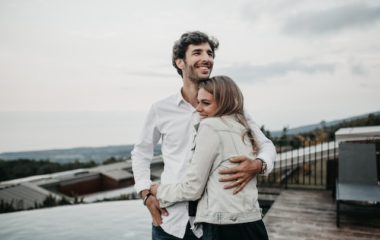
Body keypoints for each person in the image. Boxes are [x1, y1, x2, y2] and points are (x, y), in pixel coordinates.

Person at [131, 31, 276, 240]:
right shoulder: (160, 109)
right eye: (197, 52)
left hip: (216, 225)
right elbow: (141, 153)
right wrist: (145, 194)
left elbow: (267, 145)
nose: (206, 58)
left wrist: (259, 164)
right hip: (170, 221)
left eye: (209, 53)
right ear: (180, 62)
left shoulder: (231, 108)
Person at [150, 76, 269, 240]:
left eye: (206, 103)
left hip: (222, 227)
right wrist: (260, 164)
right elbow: (267, 145)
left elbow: (192, 189)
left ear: (225, 102)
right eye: (198, 102)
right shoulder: (243, 126)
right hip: (253, 222)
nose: (198, 109)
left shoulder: (209, 126)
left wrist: (158, 190)